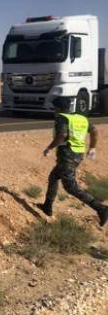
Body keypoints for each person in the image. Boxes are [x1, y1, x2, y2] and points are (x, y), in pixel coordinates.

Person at [38, 96, 107, 226]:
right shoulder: (81, 118)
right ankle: (47, 206)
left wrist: (49, 148)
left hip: (67, 155)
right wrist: (92, 147)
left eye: (54, 108)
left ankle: (101, 208)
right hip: (78, 154)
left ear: (58, 108)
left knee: (70, 187)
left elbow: (62, 135)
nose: (54, 110)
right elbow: (94, 131)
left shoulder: (62, 118)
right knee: (54, 176)